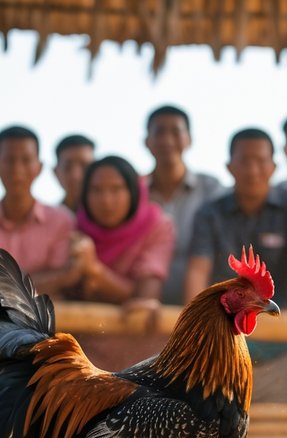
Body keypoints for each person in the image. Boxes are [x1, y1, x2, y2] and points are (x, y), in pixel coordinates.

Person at [185, 128, 287, 402]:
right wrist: (195, 324)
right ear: (230, 167)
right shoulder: (210, 212)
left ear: (273, 166)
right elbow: (197, 268)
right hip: (222, 353)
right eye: (244, 161)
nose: (253, 169)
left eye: (260, 161)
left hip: (278, 351)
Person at [71, 155, 175, 370]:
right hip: (85, 360)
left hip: (142, 362)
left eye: (117, 189)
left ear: (134, 192)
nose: (106, 200)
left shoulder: (157, 226)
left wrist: (94, 271)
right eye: (96, 190)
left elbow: (146, 297)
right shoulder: (72, 229)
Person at [0, 125, 77, 294]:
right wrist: (47, 280)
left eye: (26, 160)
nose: (17, 170)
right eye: (10, 160)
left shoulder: (62, 221)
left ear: (39, 167)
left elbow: (65, 280)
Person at [143, 105, 224, 305]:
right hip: (142, 310)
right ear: (147, 141)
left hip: (205, 312)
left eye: (175, 131)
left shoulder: (211, 189)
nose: (167, 140)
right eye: (159, 132)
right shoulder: (133, 193)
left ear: (189, 139)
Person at [53, 134, 94, 212]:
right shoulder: (48, 220)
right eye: (67, 167)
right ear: (55, 172)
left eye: (85, 167)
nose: (76, 176)